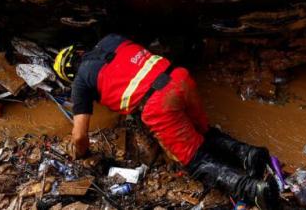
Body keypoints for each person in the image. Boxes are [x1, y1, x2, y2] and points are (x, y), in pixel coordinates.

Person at [54, 34, 280, 210]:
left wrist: (81, 156)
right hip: (179, 78)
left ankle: (253, 190)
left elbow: (79, 136)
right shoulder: (111, 39)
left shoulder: (81, 82)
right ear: (81, 50)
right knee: (201, 131)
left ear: (69, 76)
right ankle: (249, 154)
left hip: (158, 103)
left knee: (194, 161)